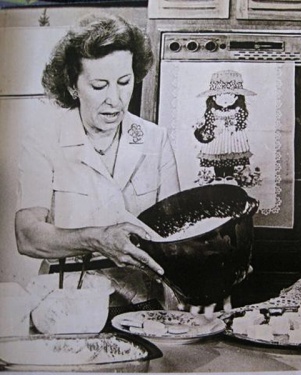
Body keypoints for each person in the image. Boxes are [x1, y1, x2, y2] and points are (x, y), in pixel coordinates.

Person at [15, 13, 181, 313]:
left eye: (124, 82)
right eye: (99, 85)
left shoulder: (157, 140)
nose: (115, 100)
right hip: (63, 306)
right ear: (73, 86)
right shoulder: (44, 139)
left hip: (144, 305)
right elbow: (27, 236)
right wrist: (98, 239)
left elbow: (175, 237)